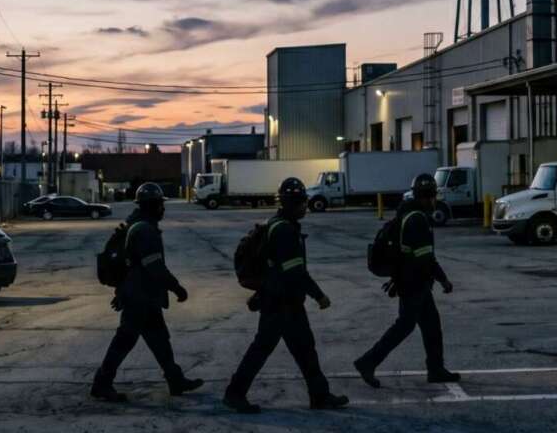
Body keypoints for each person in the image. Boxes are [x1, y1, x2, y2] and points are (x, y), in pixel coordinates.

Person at [223, 177, 349, 414]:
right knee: (262, 349)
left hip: (286, 301)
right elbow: (295, 272)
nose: (305, 206)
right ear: (290, 203)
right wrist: (319, 295)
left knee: (305, 349)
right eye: (301, 202)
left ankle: (320, 395)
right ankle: (234, 393)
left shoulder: (281, 225)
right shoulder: (284, 231)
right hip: (280, 303)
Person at [92, 182, 203, 402]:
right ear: (152, 206)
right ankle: (101, 383)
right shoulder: (145, 230)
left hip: (143, 295)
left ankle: (175, 380)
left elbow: (131, 266)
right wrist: (176, 287)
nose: (163, 209)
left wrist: (121, 291)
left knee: (160, 340)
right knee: (124, 340)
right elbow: (154, 267)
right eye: (160, 205)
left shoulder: (140, 225)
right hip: (140, 297)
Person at [353, 173, 459, 388]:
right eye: (432, 196)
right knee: (404, 326)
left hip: (412, 281)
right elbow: (426, 257)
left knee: (431, 326)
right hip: (415, 283)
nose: (434, 201)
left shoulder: (408, 214)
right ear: (428, 197)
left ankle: (436, 369)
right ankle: (368, 362)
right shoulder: (418, 220)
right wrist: (443, 280)